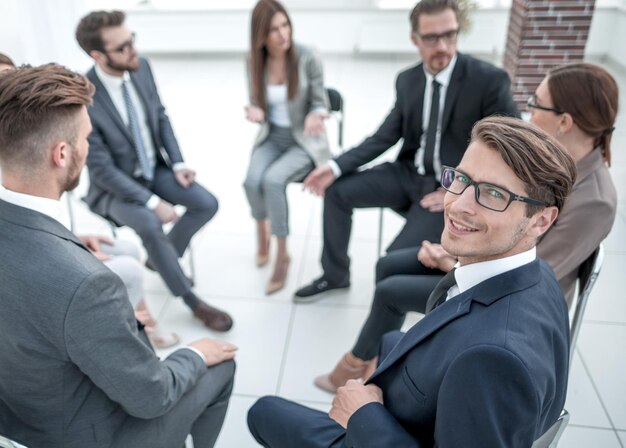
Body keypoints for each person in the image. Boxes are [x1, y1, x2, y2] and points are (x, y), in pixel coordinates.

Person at [247, 116, 577, 447]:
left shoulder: (491, 361)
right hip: (415, 410)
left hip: (374, 434)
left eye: (493, 194)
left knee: (262, 411)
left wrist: (363, 414)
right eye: (461, 179)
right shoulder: (540, 275)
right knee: (390, 335)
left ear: (542, 220)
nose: (458, 205)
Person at [314, 62, 620, 392]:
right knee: (388, 264)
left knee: (390, 293)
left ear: (564, 121)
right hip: (486, 258)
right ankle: (379, 353)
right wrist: (451, 248)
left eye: (535, 103)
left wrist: (451, 262)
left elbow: (533, 270)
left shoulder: (595, 200)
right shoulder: (549, 161)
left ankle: (357, 365)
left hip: (503, 295)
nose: (527, 112)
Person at [0, 64, 236, 448]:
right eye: (86, 138)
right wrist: (193, 353)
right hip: (85, 433)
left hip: (17, 415)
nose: (89, 147)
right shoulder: (86, 284)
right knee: (220, 365)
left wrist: (115, 323)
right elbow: (151, 397)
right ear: (61, 154)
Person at [294, 0, 519, 302]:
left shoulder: (489, 81)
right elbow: (384, 136)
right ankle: (335, 275)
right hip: (408, 173)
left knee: (393, 263)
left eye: (450, 35)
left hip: (451, 186)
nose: (442, 45)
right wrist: (334, 167)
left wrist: (459, 191)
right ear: (415, 39)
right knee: (337, 191)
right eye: (431, 38)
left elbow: (508, 151)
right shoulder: (408, 80)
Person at [0, 53, 179, 349]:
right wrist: (71, 260)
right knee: (130, 271)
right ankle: (135, 331)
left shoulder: (24, 160)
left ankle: (140, 324)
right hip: (27, 283)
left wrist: (71, 242)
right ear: (62, 154)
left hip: (40, 246)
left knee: (126, 249)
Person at [75, 10, 232, 331]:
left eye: (132, 40)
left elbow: (160, 116)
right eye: (122, 47)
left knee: (207, 203)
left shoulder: (141, 67)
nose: (133, 50)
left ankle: (163, 259)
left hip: (154, 168)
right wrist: (151, 202)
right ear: (98, 55)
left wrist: (178, 163)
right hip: (114, 188)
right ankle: (191, 300)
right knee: (149, 223)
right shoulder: (85, 96)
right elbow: (102, 170)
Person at [244, 0, 331, 294]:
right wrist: (255, 109)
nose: (283, 34)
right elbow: (256, 99)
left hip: (302, 140)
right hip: (272, 136)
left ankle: (282, 253)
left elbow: (321, 100)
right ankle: (262, 231)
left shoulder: (307, 56)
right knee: (250, 181)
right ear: (261, 37)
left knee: (271, 181)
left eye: (285, 25)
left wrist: (314, 113)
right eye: (273, 30)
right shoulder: (253, 61)